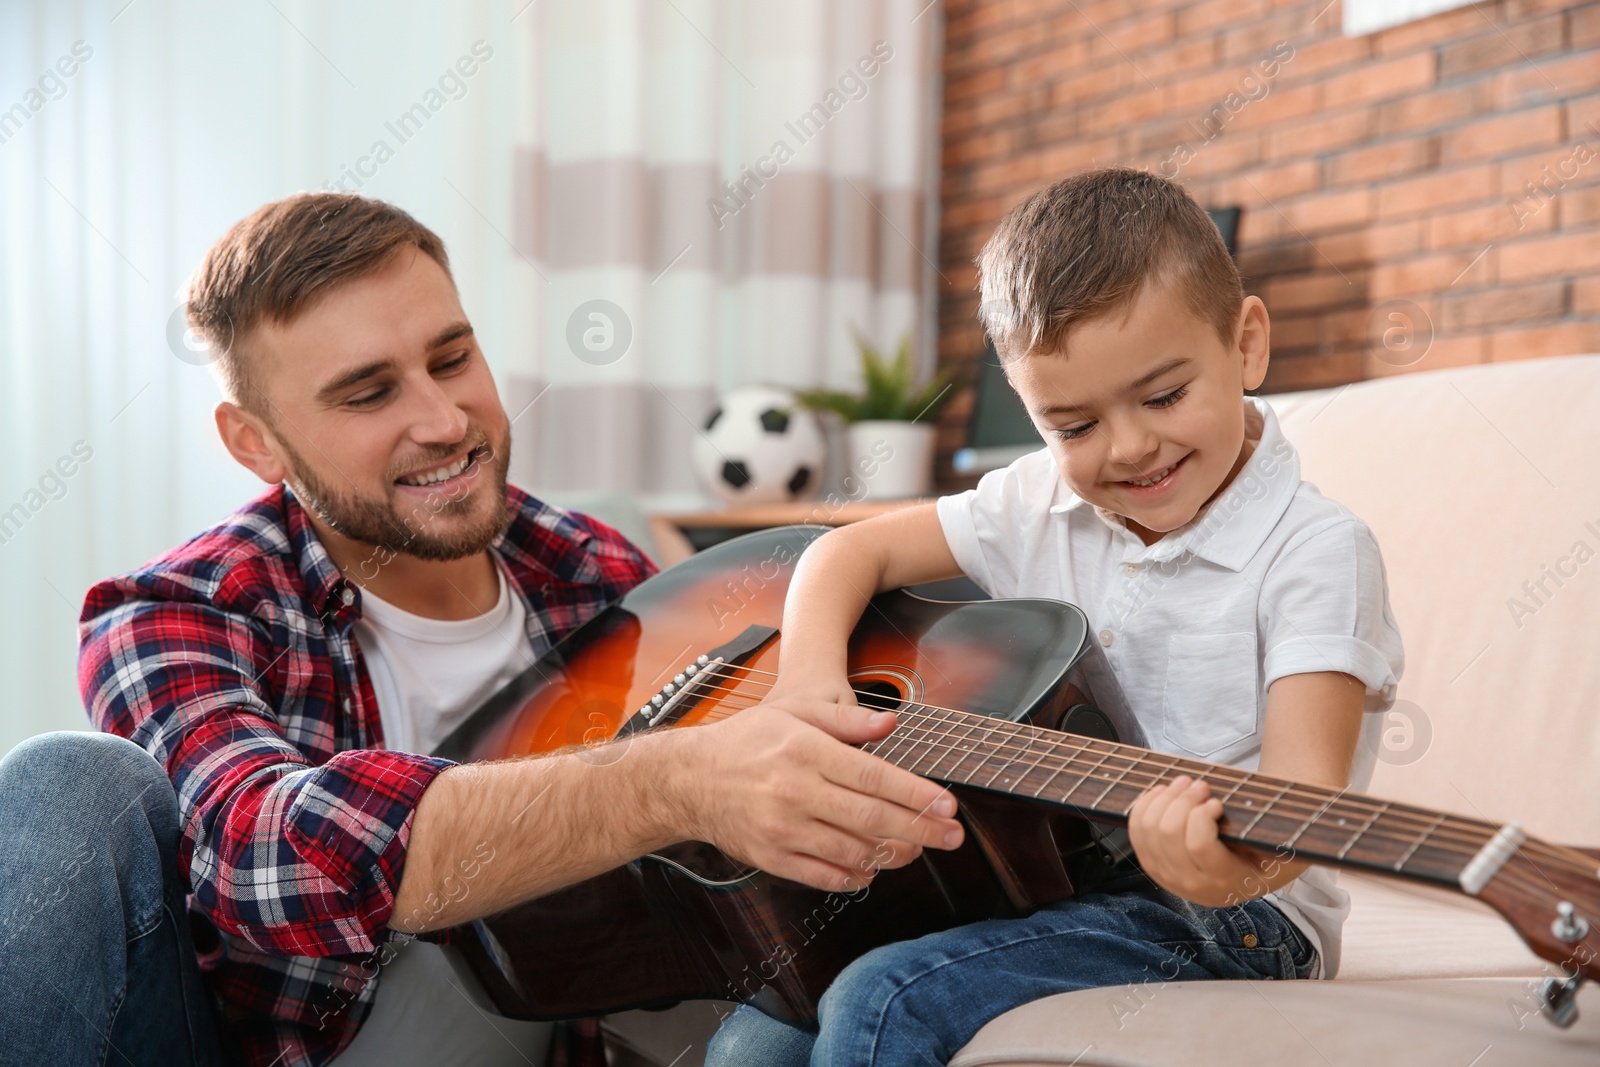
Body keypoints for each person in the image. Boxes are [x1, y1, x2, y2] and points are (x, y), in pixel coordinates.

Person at [0, 192, 967, 1067]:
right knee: (64, 780)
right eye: (369, 393)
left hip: (555, 1033)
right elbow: (264, 855)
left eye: (453, 357)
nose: (443, 417)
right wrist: (680, 781)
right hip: (282, 1050)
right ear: (256, 440)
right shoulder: (178, 609)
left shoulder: (599, 575)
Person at [705, 166, 1406, 1065]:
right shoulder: (1034, 501)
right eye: (1072, 427)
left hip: (1250, 917)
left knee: (882, 1001)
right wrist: (808, 679)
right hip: (1064, 871)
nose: (1129, 447)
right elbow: (848, 550)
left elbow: (1303, 808)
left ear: (1248, 345)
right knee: (755, 1035)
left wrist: (1225, 866)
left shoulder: (1316, 551)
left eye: (1162, 396)